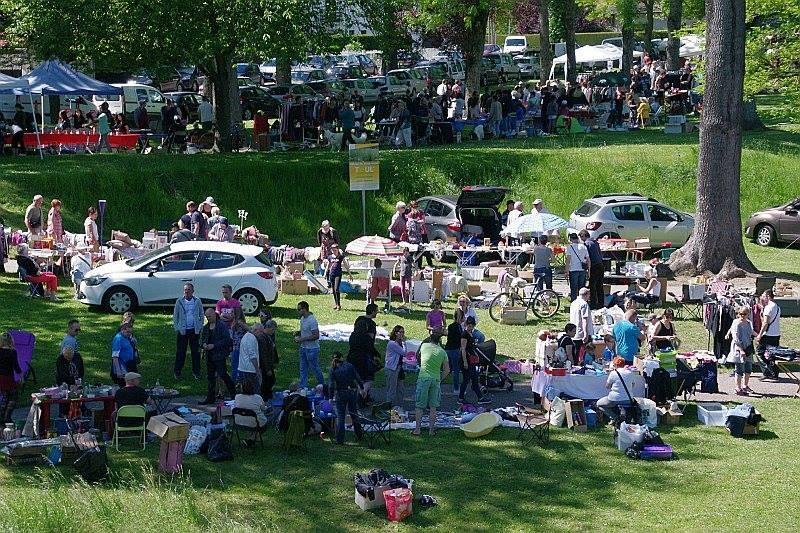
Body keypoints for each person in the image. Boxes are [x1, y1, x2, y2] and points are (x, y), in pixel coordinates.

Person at [413, 327, 450, 436]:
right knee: (433, 407)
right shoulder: (443, 352)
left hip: (423, 378)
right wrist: (440, 378)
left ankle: (417, 430)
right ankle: (431, 430)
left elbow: (417, 357)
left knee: (420, 406)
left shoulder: (424, 346)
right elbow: (447, 370)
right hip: (435, 379)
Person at [199, 308, 235, 405]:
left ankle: (234, 395)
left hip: (219, 355)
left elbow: (227, 340)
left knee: (223, 374)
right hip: (209, 355)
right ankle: (210, 397)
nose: (208, 318)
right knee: (210, 377)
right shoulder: (206, 327)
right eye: (207, 317)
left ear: (214, 315)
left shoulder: (221, 326)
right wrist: (204, 345)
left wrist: (214, 345)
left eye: (209, 316)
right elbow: (202, 340)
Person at [328, 352, 364, 445]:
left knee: (341, 416)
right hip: (352, 392)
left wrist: (330, 397)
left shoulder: (333, 369)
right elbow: (357, 377)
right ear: (342, 358)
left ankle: (340, 439)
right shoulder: (349, 366)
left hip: (341, 393)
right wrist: (362, 388)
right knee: (354, 413)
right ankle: (359, 434)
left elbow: (331, 385)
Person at [172, 283, 204, 380]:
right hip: (183, 331)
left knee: (196, 352)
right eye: (185, 289)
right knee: (181, 352)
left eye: (188, 289)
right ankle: (177, 372)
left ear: (193, 291)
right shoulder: (179, 301)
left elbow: (201, 314)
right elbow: (175, 316)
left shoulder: (197, 301)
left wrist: (199, 326)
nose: (186, 291)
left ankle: (196, 371)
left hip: (194, 330)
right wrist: (178, 328)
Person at [348, 308, 380, 401]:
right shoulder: (366, 338)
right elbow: (370, 347)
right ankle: (363, 394)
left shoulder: (352, 336)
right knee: (368, 379)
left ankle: (360, 394)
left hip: (352, 358)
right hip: (364, 359)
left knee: (358, 378)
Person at [596, 357, 638, 426]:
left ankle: (615, 418)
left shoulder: (613, 373)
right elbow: (633, 385)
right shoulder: (630, 372)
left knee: (599, 404)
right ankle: (620, 417)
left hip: (615, 398)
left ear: (615, 365)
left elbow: (607, 386)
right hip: (628, 398)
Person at [458, 316, 489, 404]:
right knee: (469, 379)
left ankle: (478, 397)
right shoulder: (464, 334)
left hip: (470, 360)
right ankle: (463, 398)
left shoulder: (470, 333)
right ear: (466, 324)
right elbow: (463, 349)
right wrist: (465, 362)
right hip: (466, 360)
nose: (470, 327)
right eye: (468, 325)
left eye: (471, 326)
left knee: (471, 379)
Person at [727, 306, 755, 396]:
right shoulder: (736, 323)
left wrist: (759, 336)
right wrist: (741, 349)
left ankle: (745, 385)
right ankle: (738, 388)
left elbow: (751, 332)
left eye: (744, 314)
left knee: (748, 368)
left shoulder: (749, 323)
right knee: (739, 369)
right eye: (740, 314)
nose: (742, 316)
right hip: (739, 348)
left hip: (748, 347)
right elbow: (735, 337)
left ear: (748, 314)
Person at [294, 301, 323, 388]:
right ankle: (303, 386)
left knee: (315, 368)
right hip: (303, 348)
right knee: (303, 369)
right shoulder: (302, 319)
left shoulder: (312, 320)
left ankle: (322, 384)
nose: (298, 311)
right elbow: (306, 331)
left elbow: (316, 335)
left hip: (312, 349)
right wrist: (299, 333)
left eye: (299, 309)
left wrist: (302, 339)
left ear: (304, 309)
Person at [579, 230, 605, 309]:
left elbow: (587, 257)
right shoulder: (595, 242)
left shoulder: (586, 244)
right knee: (599, 286)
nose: (581, 239)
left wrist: (587, 268)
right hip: (600, 265)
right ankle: (601, 303)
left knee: (592, 286)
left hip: (593, 266)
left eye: (581, 237)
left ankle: (593, 304)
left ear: (584, 236)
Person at [756, 289, 781, 368]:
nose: (762, 298)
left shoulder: (768, 307)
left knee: (760, 352)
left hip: (768, 334)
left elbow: (765, 323)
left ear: (768, 297)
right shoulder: (777, 307)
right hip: (776, 333)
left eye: (763, 296)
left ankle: (768, 371)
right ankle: (774, 373)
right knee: (773, 353)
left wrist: (760, 334)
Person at [0, 332, 21, 423]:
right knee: (13, 397)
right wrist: (21, 376)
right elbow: (16, 366)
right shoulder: (12, 352)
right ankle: (7, 416)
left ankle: (2, 417)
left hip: (1, 377)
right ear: (10, 341)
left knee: (4, 397)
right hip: (8, 377)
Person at [255, 319, 278, 399]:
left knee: (271, 380)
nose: (273, 332)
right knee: (267, 382)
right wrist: (268, 369)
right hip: (265, 366)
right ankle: (265, 397)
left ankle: (267, 395)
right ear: (268, 328)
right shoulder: (262, 338)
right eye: (273, 330)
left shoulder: (266, 337)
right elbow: (263, 355)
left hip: (268, 364)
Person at [569, 288, 593, 360]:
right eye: (589, 295)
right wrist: (586, 333)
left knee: (576, 354)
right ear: (586, 295)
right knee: (585, 354)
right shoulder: (584, 304)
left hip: (575, 333)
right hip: (582, 333)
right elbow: (584, 319)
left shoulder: (573, 303)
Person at [384, 326, 406, 406]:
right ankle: (389, 408)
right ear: (396, 333)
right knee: (391, 389)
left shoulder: (399, 343)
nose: (402, 334)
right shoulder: (392, 343)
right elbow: (404, 353)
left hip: (399, 367)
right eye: (400, 332)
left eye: (403, 332)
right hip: (392, 368)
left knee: (401, 389)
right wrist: (404, 342)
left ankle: (399, 406)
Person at [237, 323, 262, 392]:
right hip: (250, 369)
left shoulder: (246, 336)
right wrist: (257, 369)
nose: (261, 334)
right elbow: (252, 356)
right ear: (256, 330)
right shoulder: (252, 338)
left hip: (242, 368)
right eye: (261, 332)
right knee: (255, 391)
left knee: (245, 391)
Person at [325, 246, 351, 311]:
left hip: (338, 274)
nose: (334, 251)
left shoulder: (340, 257)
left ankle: (339, 305)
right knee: (333, 290)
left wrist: (350, 274)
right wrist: (325, 273)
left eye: (335, 250)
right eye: (333, 250)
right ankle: (336, 304)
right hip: (331, 274)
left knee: (336, 289)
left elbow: (345, 265)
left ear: (338, 250)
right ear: (331, 250)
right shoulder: (330, 257)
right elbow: (328, 265)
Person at [111, 322, 137, 387]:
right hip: (122, 367)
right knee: (124, 386)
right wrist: (118, 371)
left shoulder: (126, 336)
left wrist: (134, 341)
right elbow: (115, 356)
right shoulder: (118, 339)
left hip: (129, 364)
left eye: (131, 332)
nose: (129, 334)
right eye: (128, 332)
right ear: (122, 330)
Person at [444, 309, 464, 394]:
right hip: (455, 350)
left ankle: (437, 384)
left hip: (447, 349)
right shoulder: (459, 327)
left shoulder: (451, 326)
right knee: (456, 370)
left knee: (447, 369)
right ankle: (456, 389)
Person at [565, 233, 589, 301]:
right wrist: (589, 270)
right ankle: (582, 301)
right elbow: (588, 259)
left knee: (573, 288)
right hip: (582, 269)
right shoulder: (583, 247)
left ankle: (574, 302)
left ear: (571, 239)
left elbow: (568, 260)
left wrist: (566, 271)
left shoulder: (570, 247)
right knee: (581, 288)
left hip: (573, 270)